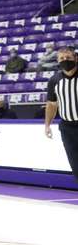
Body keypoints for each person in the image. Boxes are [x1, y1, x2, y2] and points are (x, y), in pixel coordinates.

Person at [44, 46, 78, 184]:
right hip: (67, 127)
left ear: (76, 58)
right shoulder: (54, 80)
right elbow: (51, 104)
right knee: (75, 163)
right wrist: (47, 125)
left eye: (68, 58)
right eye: (62, 58)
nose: (65, 60)